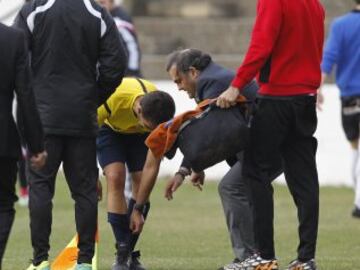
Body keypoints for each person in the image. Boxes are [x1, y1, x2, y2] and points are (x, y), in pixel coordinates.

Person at [14, 0, 127, 269]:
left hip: (42, 119)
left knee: (40, 188)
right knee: (85, 191)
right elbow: (116, 64)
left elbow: (14, 54)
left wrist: (31, 97)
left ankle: (40, 260)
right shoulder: (97, 12)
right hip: (82, 117)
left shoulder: (34, 9)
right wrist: (92, 98)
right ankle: (85, 262)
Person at [216, 0, 324, 269]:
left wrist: (236, 85)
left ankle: (264, 256)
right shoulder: (314, 3)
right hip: (305, 97)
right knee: (304, 179)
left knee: (254, 173)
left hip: (276, 97)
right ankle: (305, 258)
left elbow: (261, 46)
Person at [164, 49, 261, 270]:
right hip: (265, 145)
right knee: (245, 192)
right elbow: (225, 133)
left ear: (194, 72)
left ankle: (250, 259)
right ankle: (257, 257)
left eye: (179, 80)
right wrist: (197, 165)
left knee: (231, 187)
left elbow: (216, 132)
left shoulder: (212, 82)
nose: (178, 86)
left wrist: (184, 170)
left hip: (267, 146)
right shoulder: (214, 79)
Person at [97, 77, 175, 270]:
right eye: (148, 126)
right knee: (115, 177)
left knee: (141, 183)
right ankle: (123, 251)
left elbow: (152, 168)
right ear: (139, 111)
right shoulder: (112, 97)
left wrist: (138, 208)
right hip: (109, 130)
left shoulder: (159, 108)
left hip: (138, 138)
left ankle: (127, 254)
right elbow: (84, 133)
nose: (151, 129)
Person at [0, 22, 47, 270]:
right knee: (4, 205)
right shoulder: (13, 38)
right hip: (3, 139)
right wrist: (37, 146)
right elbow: (26, 95)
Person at [318, 0, 360, 218]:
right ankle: (359, 200)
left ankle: (358, 197)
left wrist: (319, 86)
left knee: (355, 146)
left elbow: (329, 57)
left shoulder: (341, 25)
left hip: (350, 96)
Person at [98, 0, 142, 77]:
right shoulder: (101, 15)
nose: (100, 6)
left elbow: (132, 45)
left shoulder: (121, 19)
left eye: (103, 3)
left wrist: (133, 70)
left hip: (125, 70)